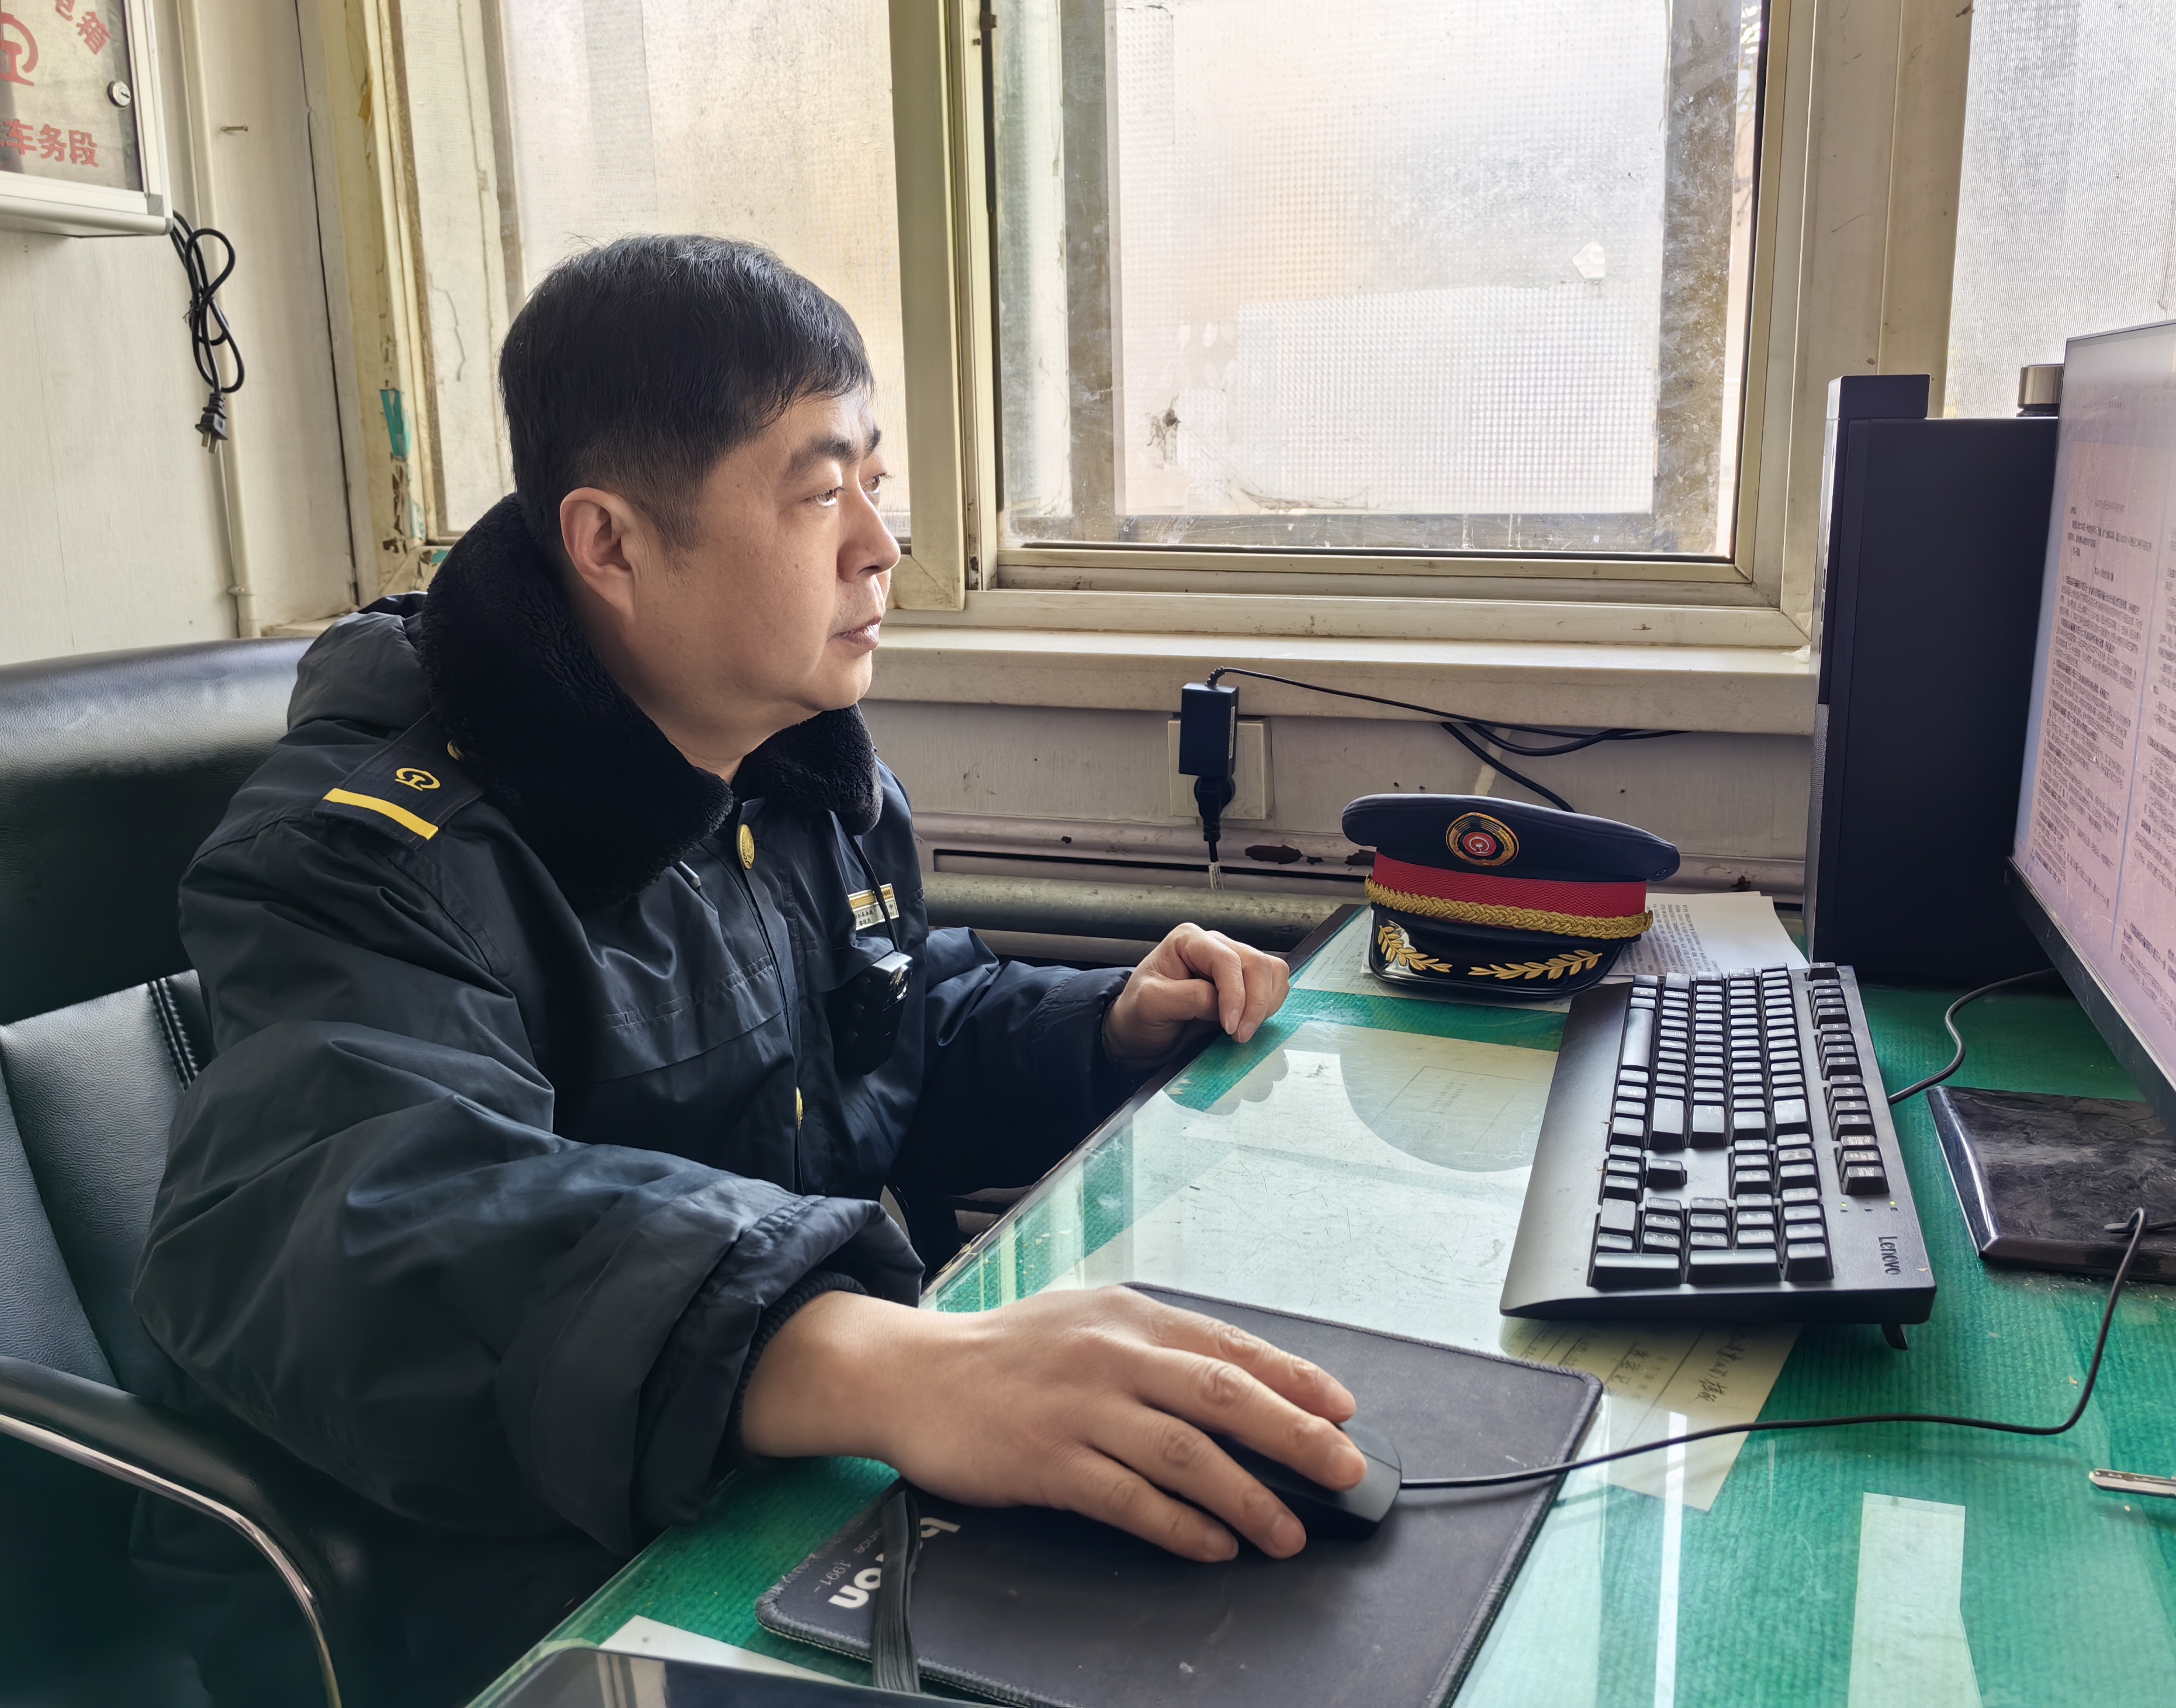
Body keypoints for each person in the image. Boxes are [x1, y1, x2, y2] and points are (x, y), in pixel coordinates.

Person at [130, 234, 1366, 1706]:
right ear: (609, 544)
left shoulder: (790, 774)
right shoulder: (365, 856)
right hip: (475, 1569)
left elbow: (885, 1036)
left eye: (875, 481)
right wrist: (883, 1365)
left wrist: (1100, 1028)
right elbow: (367, 1218)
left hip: (758, 1476)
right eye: (820, 490)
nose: (880, 545)